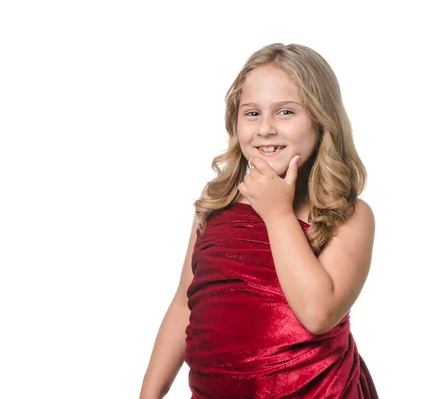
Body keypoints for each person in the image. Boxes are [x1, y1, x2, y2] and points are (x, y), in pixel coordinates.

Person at [140, 43, 378, 398]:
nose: (265, 129)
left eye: (285, 112)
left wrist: (277, 212)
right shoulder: (216, 204)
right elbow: (182, 305)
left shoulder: (350, 216)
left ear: (320, 118)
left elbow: (317, 313)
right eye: (251, 113)